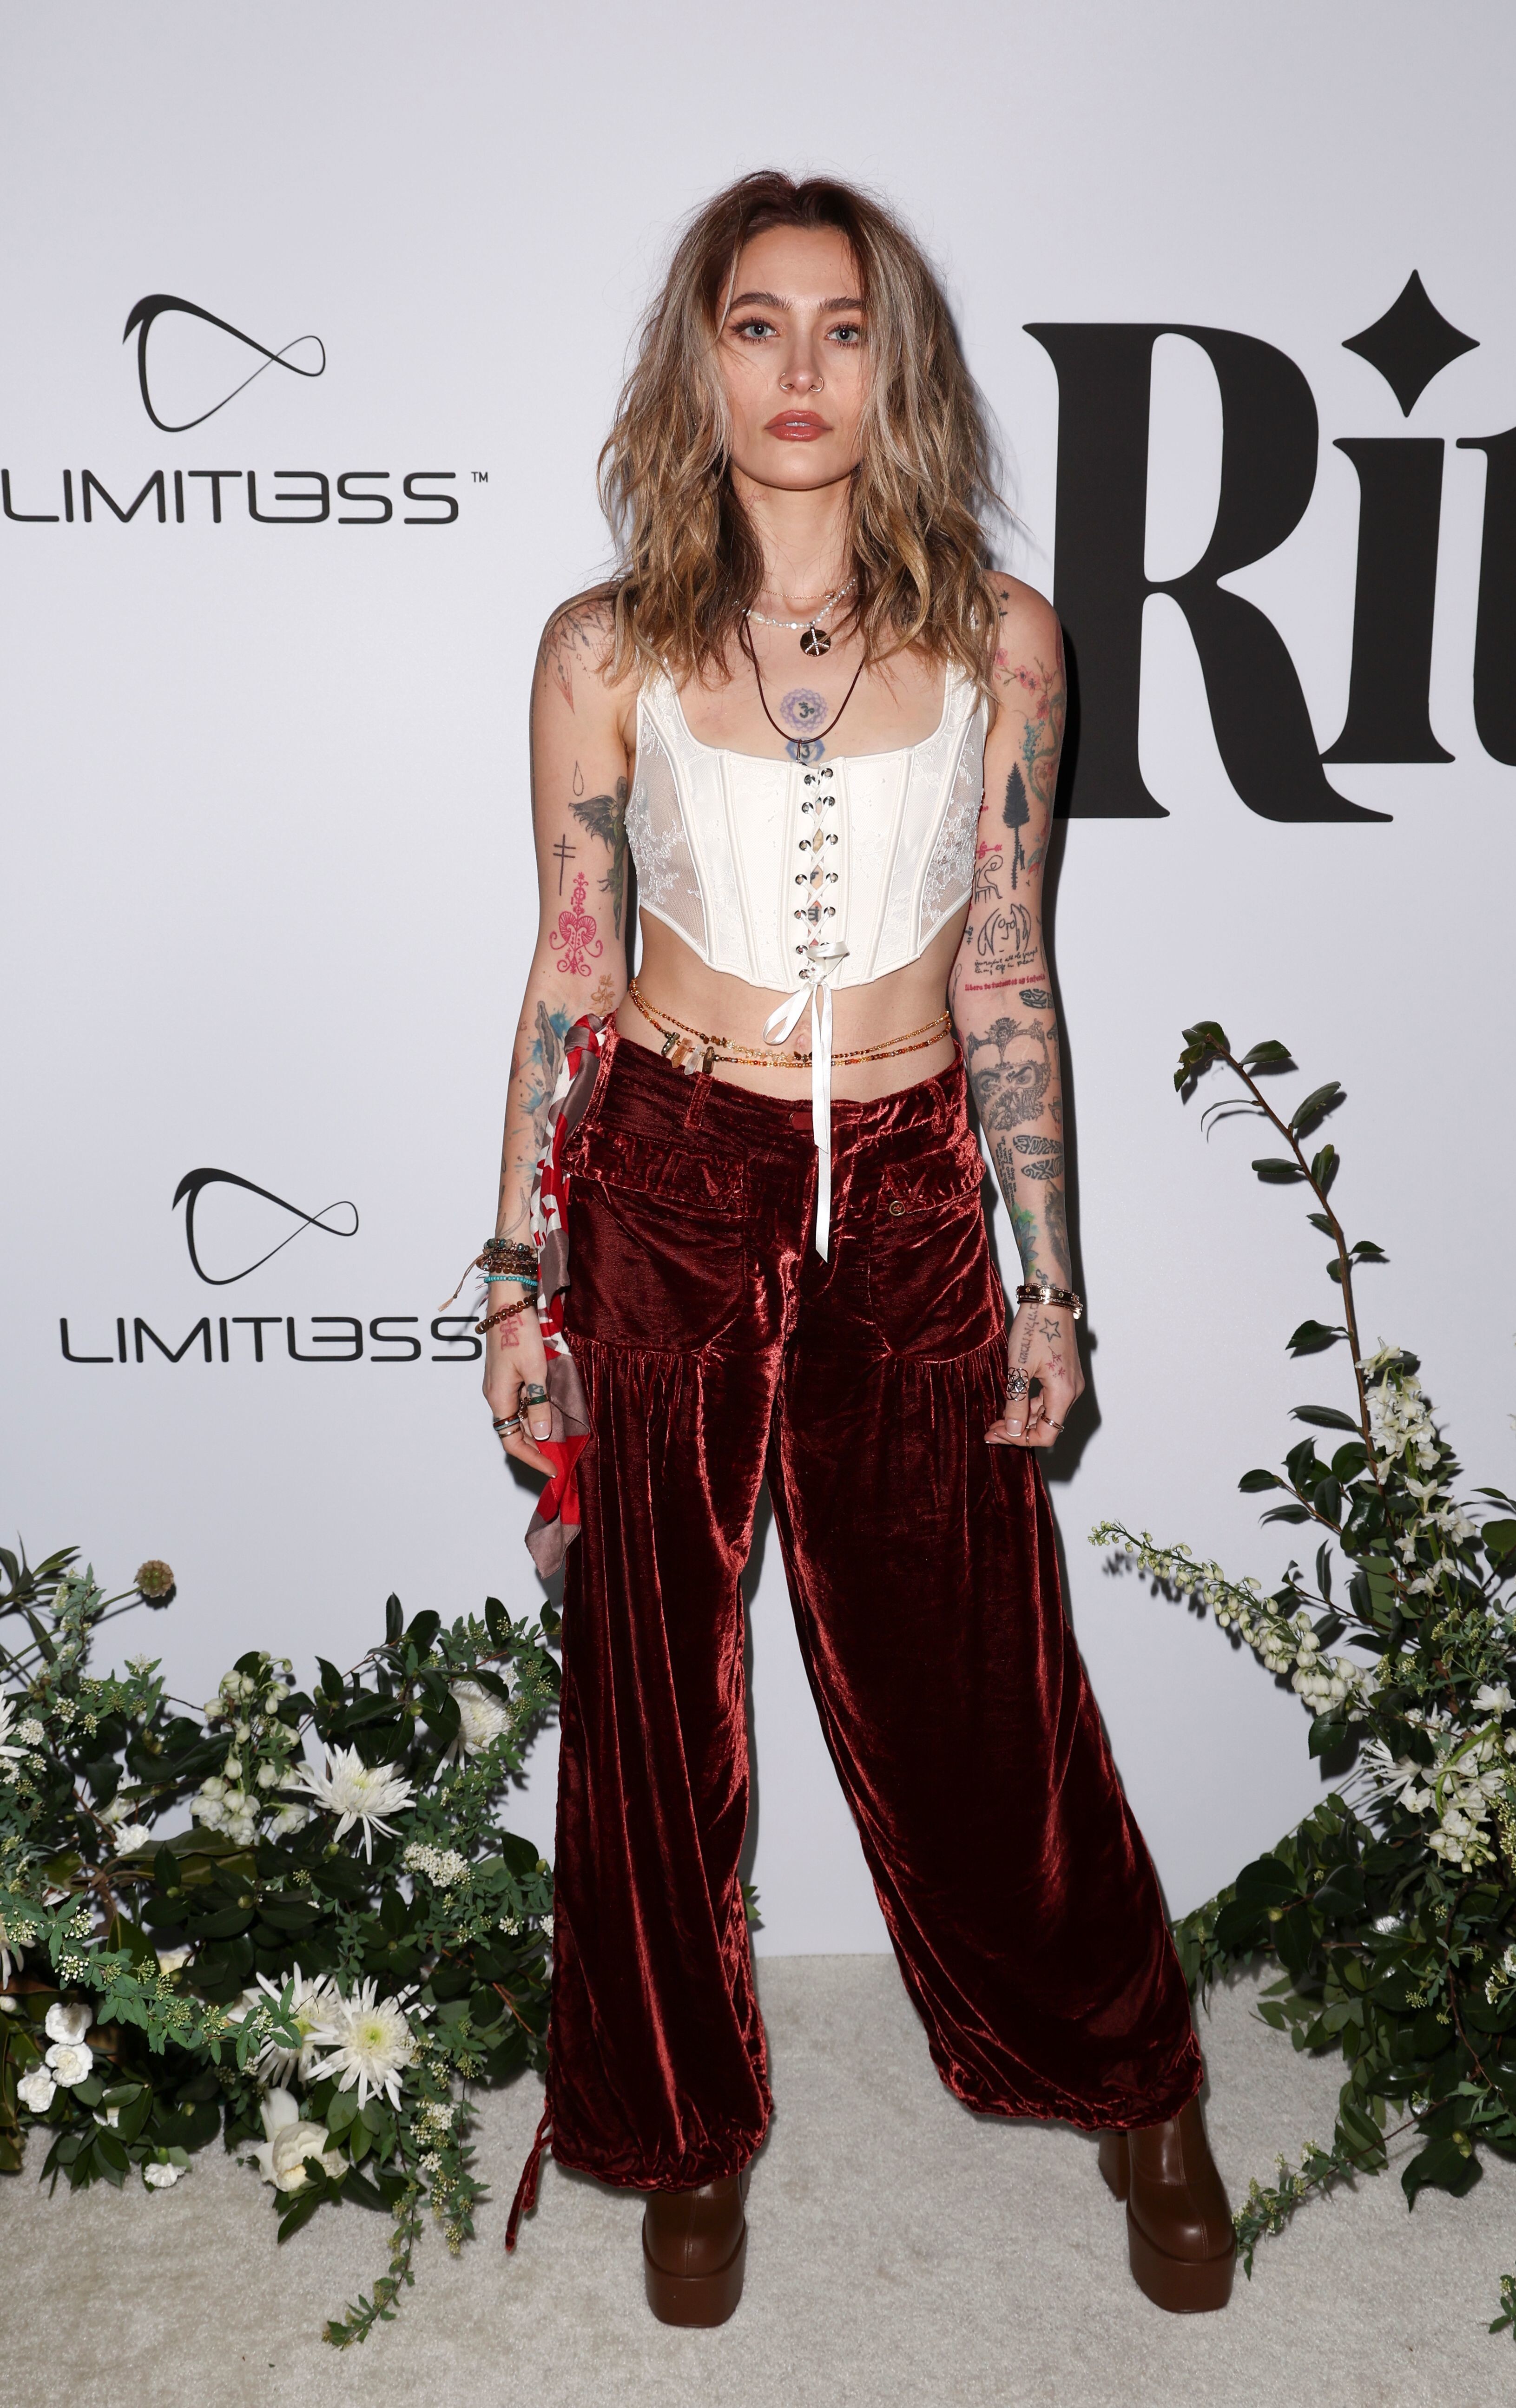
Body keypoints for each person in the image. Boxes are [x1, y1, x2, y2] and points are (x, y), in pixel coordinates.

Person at [482, 171, 1233, 2325]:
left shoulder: (1004, 640)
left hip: (908, 1188)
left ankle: (1135, 2081)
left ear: (895, 367)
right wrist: (520, 1270)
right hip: (668, 1177)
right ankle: (675, 2125)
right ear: (699, 361)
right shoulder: (604, 648)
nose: (799, 370)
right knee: (651, 1696)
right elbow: (570, 968)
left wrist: (1050, 1279)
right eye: (756, 324)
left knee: (984, 1685)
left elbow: (1007, 968)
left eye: (843, 327)